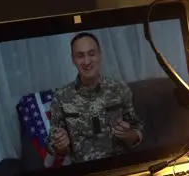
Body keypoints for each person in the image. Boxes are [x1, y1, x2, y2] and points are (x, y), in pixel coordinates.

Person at [48, 32, 144, 163]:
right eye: (80, 56)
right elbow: (54, 147)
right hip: (83, 172)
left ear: (100, 55)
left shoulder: (119, 89)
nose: (87, 61)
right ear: (73, 59)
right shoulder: (61, 97)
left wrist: (128, 135)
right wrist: (61, 146)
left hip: (119, 167)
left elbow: (137, 129)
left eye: (91, 54)